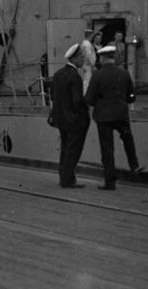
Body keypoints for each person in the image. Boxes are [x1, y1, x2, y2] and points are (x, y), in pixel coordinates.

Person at [84, 45, 141, 190]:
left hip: (103, 116)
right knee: (128, 139)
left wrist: (100, 101)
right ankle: (134, 166)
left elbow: (89, 98)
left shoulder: (98, 75)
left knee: (107, 148)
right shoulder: (124, 73)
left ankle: (110, 181)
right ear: (113, 58)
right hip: (121, 113)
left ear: (102, 58)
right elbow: (132, 96)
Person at [50, 43, 90, 188]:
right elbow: (77, 101)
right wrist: (85, 112)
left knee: (65, 149)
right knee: (73, 151)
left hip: (61, 119)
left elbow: (53, 96)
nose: (83, 61)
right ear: (75, 58)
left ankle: (65, 177)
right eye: (82, 58)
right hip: (75, 121)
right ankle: (67, 180)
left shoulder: (58, 74)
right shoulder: (75, 77)